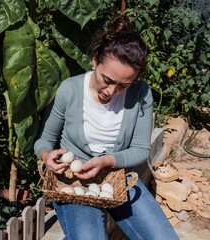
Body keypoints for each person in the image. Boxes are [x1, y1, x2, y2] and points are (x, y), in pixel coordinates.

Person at [34, 15, 179, 240]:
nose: (111, 91)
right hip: (74, 181)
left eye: (123, 85)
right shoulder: (69, 90)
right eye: (107, 79)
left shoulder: (141, 94)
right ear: (94, 61)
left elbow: (141, 149)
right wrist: (46, 155)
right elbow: (44, 140)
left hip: (117, 179)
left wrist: (106, 161)